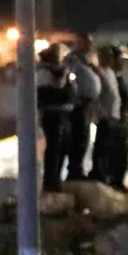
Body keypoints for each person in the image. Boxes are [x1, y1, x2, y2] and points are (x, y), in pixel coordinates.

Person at [35, 45, 74, 192]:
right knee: (54, 148)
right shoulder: (44, 73)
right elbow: (58, 87)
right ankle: (51, 180)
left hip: (62, 113)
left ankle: (56, 179)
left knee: (62, 147)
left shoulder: (55, 72)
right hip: (52, 114)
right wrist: (64, 74)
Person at [65, 37, 103, 182]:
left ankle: (78, 169)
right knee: (78, 137)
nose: (89, 46)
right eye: (86, 43)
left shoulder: (86, 60)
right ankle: (74, 170)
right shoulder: (72, 60)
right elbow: (69, 79)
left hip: (87, 104)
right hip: (79, 105)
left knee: (84, 137)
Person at [90, 47, 123, 188]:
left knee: (112, 150)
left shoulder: (110, 73)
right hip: (105, 117)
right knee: (102, 148)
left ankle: (110, 176)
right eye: (106, 56)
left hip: (114, 116)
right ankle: (99, 174)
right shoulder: (99, 73)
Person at [107, 51, 128, 192]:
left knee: (122, 154)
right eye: (119, 60)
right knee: (115, 154)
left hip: (121, 122)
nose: (122, 63)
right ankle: (114, 182)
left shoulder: (118, 77)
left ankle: (118, 182)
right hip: (115, 122)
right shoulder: (110, 77)